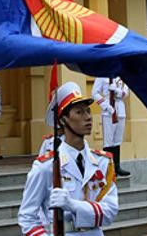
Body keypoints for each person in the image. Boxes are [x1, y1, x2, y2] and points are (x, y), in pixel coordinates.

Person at [18, 81, 119, 235]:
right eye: (79, 112)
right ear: (63, 120)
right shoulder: (46, 166)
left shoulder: (103, 163)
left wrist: (73, 205)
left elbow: (110, 212)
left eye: (88, 111)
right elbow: (27, 216)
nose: (88, 118)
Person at [91, 76, 130, 176]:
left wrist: (117, 91)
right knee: (108, 141)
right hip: (108, 111)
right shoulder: (102, 76)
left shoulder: (120, 75)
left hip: (120, 109)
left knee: (117, 140)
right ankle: (108, 168)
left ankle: (117, 166)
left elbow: (126, 91)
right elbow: (94, 93)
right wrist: (106, 106)